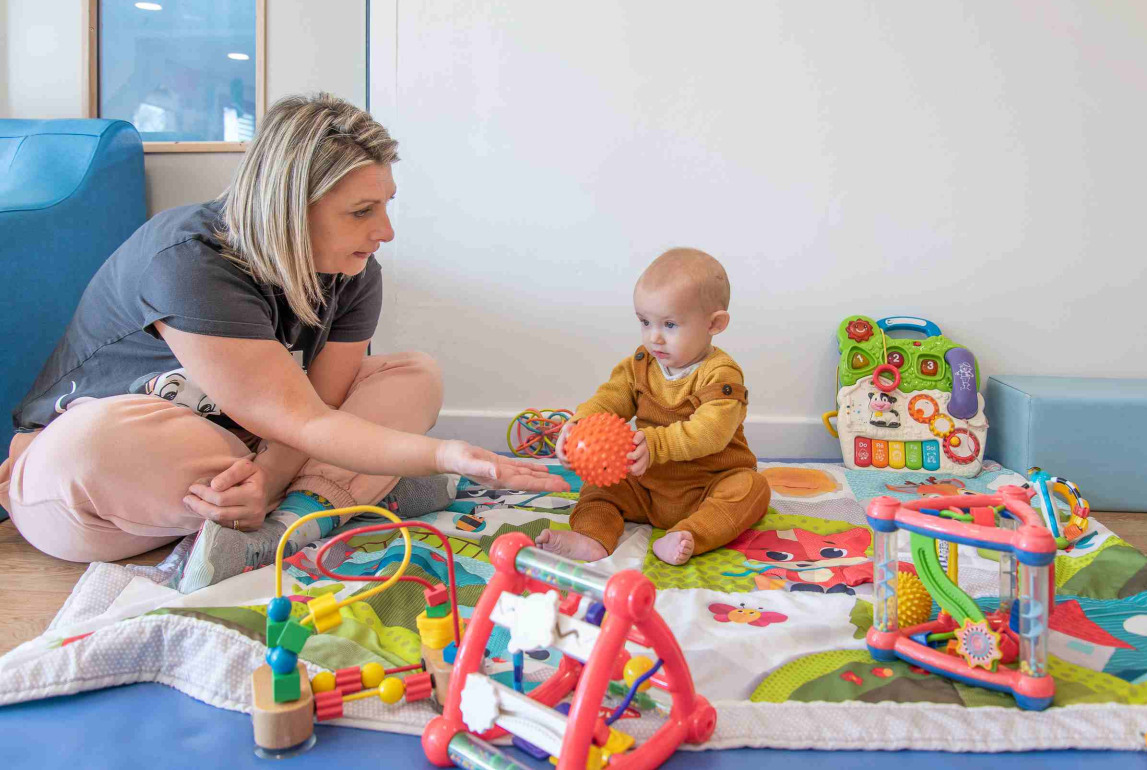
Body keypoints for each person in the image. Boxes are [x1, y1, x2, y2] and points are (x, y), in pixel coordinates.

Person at [0, 93, 567, 593]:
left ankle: (279, 524)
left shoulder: (353, 272)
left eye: (387, 204)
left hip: (247, 461)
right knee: (97, 446)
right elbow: (309, 424)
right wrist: (446, 454)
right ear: (290, 208)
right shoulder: (190, 260)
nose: (386, 230)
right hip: (112, 477)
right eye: (362, 211)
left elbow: (319, 407)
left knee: (413, 375)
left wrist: (268, 476)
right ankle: (342, 497)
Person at [536, 248, 770, 565]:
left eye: (670, 325)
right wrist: (581, 424)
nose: (654, 337)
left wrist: (656, 444)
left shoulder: (721, 374)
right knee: (600, 485)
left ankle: (690, 533)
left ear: (714, 324)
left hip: (707, 486)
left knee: (752, 489)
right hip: (646, 485)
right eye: (645, 322)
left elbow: (711, 432)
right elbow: (610, 397)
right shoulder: (641, 364)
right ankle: (592, 536)